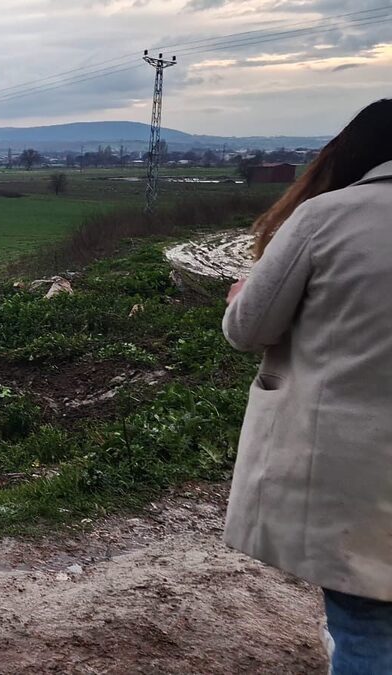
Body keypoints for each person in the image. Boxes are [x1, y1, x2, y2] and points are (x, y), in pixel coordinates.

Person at [223, 98, 392, 674]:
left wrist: (242, 295)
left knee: (368, 627)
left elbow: (248, 329)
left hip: (360, 473)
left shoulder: (326, 217)